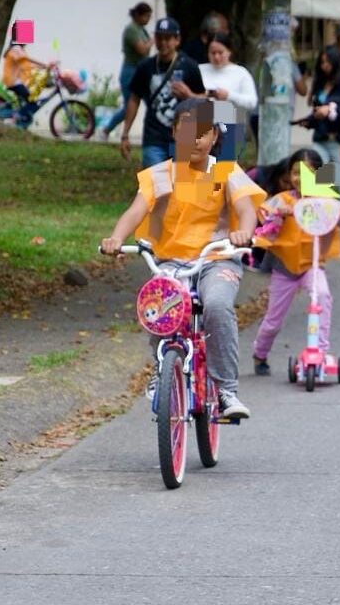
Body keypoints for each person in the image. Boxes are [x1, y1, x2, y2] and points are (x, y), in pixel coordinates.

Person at [100, 98, 263, 419]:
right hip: (171, 261)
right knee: (158, 304)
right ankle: (161, 370)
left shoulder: (226, 171)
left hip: (216, 258)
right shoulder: (159, 175)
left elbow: (246, 209)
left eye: (204, 133)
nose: (196, 139)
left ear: (216, 136)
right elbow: (135, 211)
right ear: (175, 133)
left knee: (216, 304)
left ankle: (227, 390)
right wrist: (116, 238)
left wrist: (244, 232)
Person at [251, 150, 340, 376]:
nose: (300, 179)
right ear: (289, 175)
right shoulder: (283, 199)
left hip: (312, 265)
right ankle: (260, 353)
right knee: (273, 320)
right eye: (296, 173)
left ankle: (319, 351)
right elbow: (265, 221)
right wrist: (278, 214)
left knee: (321, 295)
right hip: (284, 267)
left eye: (308, 173)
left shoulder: (325, 201)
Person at [119, 17, 207, 168]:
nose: (163, 43)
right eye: (159, 38)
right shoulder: (145, 67)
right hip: (154, 138)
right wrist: (125, 134)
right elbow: (134, 99)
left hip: (184, 137)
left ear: (177, 40)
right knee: (156, 185)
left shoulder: (189, 66)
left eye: (168, 38)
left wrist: (188, 95)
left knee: (180, 186)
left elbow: (203, 99)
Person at [304, 49, 340, 246]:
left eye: (328, 62)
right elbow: (316, 111)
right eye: (321, 62)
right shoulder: (320, 84)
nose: (324, 66)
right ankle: (318, 225)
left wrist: (331, 111)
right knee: (314, 180)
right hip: (321, 139)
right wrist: (311, 120)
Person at [102, 2, 153, 139]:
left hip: (142, 72)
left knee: (153, 102)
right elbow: (142, 49)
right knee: (129, 107)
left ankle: (154, 134)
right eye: (146, 16)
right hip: (131, 72)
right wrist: (152, 42)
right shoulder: (132, 29)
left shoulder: (141, 29)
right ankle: (107, 130)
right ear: (138, 15)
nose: (148, 19)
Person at [200, 33, 258, 113]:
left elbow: (252, 102)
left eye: (220, 53)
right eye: (213, 53)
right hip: (200, 117)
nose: (216, 57)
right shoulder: (200, 69)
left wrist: (228, 96)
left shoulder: (241, 73)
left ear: (229, 51)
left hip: (231, 117)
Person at [0, 41, 47, 126]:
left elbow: (26, 62)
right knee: (33, 104)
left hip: (14, 81)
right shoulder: (16, 48)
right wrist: (44, 65)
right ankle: (15, 118)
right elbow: (26, 62)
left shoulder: (16, 49)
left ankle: (21, 118)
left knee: (28, 101)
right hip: (13, 82)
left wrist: (42, 66)